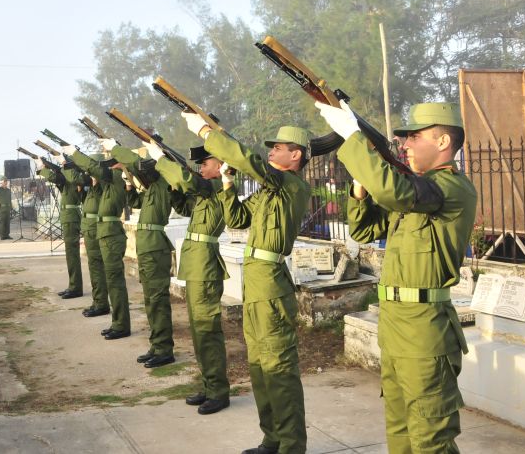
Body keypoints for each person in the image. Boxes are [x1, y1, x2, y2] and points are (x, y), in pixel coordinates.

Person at [316, 100, 477, 453]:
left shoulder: (451, 187)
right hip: (394, 324)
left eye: (413, 137)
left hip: (425, 331)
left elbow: (395, 192)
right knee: (400, 428)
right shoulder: (417, 191)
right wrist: (360, 187)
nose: (404, 145)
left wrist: (352, 139)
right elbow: (363, 228)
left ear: (442, 142)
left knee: (430, 437)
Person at [183, 112, 311, 454]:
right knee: (259, 368)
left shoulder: (291, 186)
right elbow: (238, 219)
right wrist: (227, 183)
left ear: (296, 155)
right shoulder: (270, 191)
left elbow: (251, 161)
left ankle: (292, 446)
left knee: (278, 368)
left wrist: (209, 133)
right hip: (255, 285)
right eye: (271, 147)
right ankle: (272, 439)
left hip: (270, 286)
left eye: (279, 147)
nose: (271, 151)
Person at [147, 142, 231, 415]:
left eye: (205, 164)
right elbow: (185, 205)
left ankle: (218, 391)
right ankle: (209, 385)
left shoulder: (219, 187)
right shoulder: (205, 192)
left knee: (207, 332)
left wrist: (161, 159)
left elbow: (191, 182)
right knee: (198, 332)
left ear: (219, 166)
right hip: (196, 265)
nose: (201, 168)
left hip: (205, 266)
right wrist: (174, 188)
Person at [105, 139, 176, 368]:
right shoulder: (153, 188)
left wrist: (117, 149)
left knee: (158, 301)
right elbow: (136, 201)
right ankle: (157, 345)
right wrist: (127, 181)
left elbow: (140, 164)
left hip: (155, 247)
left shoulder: (164, 182)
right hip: (147, 247)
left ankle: (165, 349)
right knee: (150, 301)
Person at [65, 144, 130, 339]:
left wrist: (74, 154)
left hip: (111, 233)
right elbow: (86, 175)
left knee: (115, 282)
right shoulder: (103, 185)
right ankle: (116, 321)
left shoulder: (116, 178)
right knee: (107, 277)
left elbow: (95, 170)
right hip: (102, 232)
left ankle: (121, 325)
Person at [36, 157, 84, 299]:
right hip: (68, 217)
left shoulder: (75, 178)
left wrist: (43, 168)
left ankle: (76, 287)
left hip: (71, 218)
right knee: (70, 255)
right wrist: (47, 167)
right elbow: (56, 178)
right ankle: (73, 285)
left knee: (72, 255)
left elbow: (55, 176)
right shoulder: (68, 179)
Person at [75, 154, 109, 318]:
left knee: (98, 269)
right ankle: (98, 301)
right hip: (89, 230)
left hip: (96, 230)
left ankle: (102, 303)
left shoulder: (103, 186)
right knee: (94, 268)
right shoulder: (92, 187)